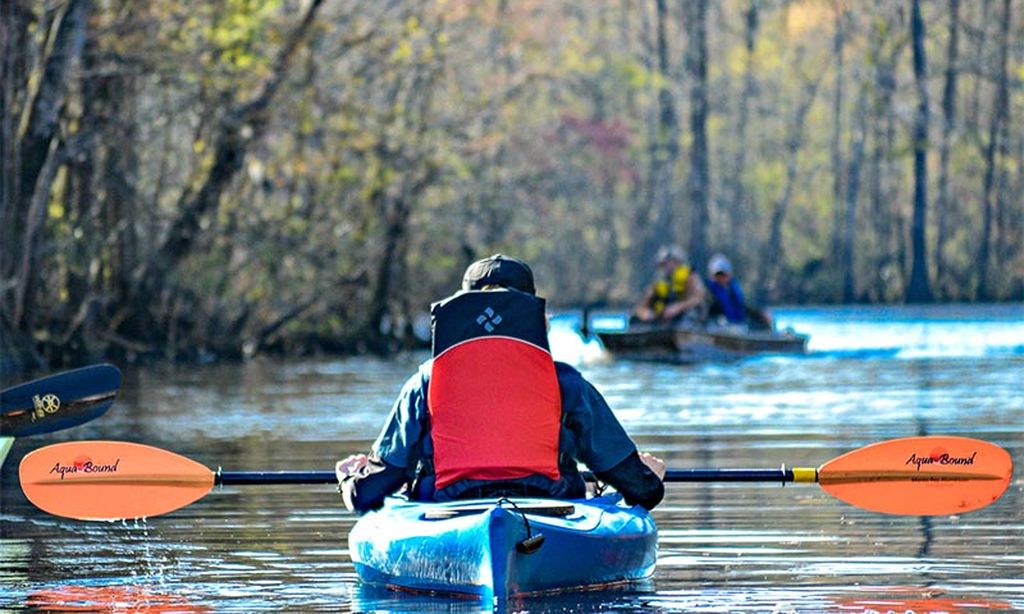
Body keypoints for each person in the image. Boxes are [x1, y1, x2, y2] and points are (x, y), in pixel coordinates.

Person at [336, 254, 666, 513]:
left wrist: (350, 479)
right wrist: (649, 478)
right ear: (538, 320)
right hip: (550, 512)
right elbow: (640, 488)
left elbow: (370, 492)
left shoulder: (425, 382)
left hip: (447, 513)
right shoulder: (567, 383)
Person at [631, 245, 707, 325]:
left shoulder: (690, 276)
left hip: (684, 316)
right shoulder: (658, 282)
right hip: (663, 318)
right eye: (663, 264)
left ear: (678, 262)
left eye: (668, 262)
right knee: (634, 319)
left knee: (691, 315)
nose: (666, 267)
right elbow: (641, 306)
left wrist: (678, 307)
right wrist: (646, 313)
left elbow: (699, 298)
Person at [704, 253, 772, 330]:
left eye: (723, 275)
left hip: (736, 327)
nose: (721, 278)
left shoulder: (732, 292)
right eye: (718, 275)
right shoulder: (708, 293)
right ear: (711, 276)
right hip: (718, 328)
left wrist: (760, 314)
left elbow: (743, 308)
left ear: (729, 275)